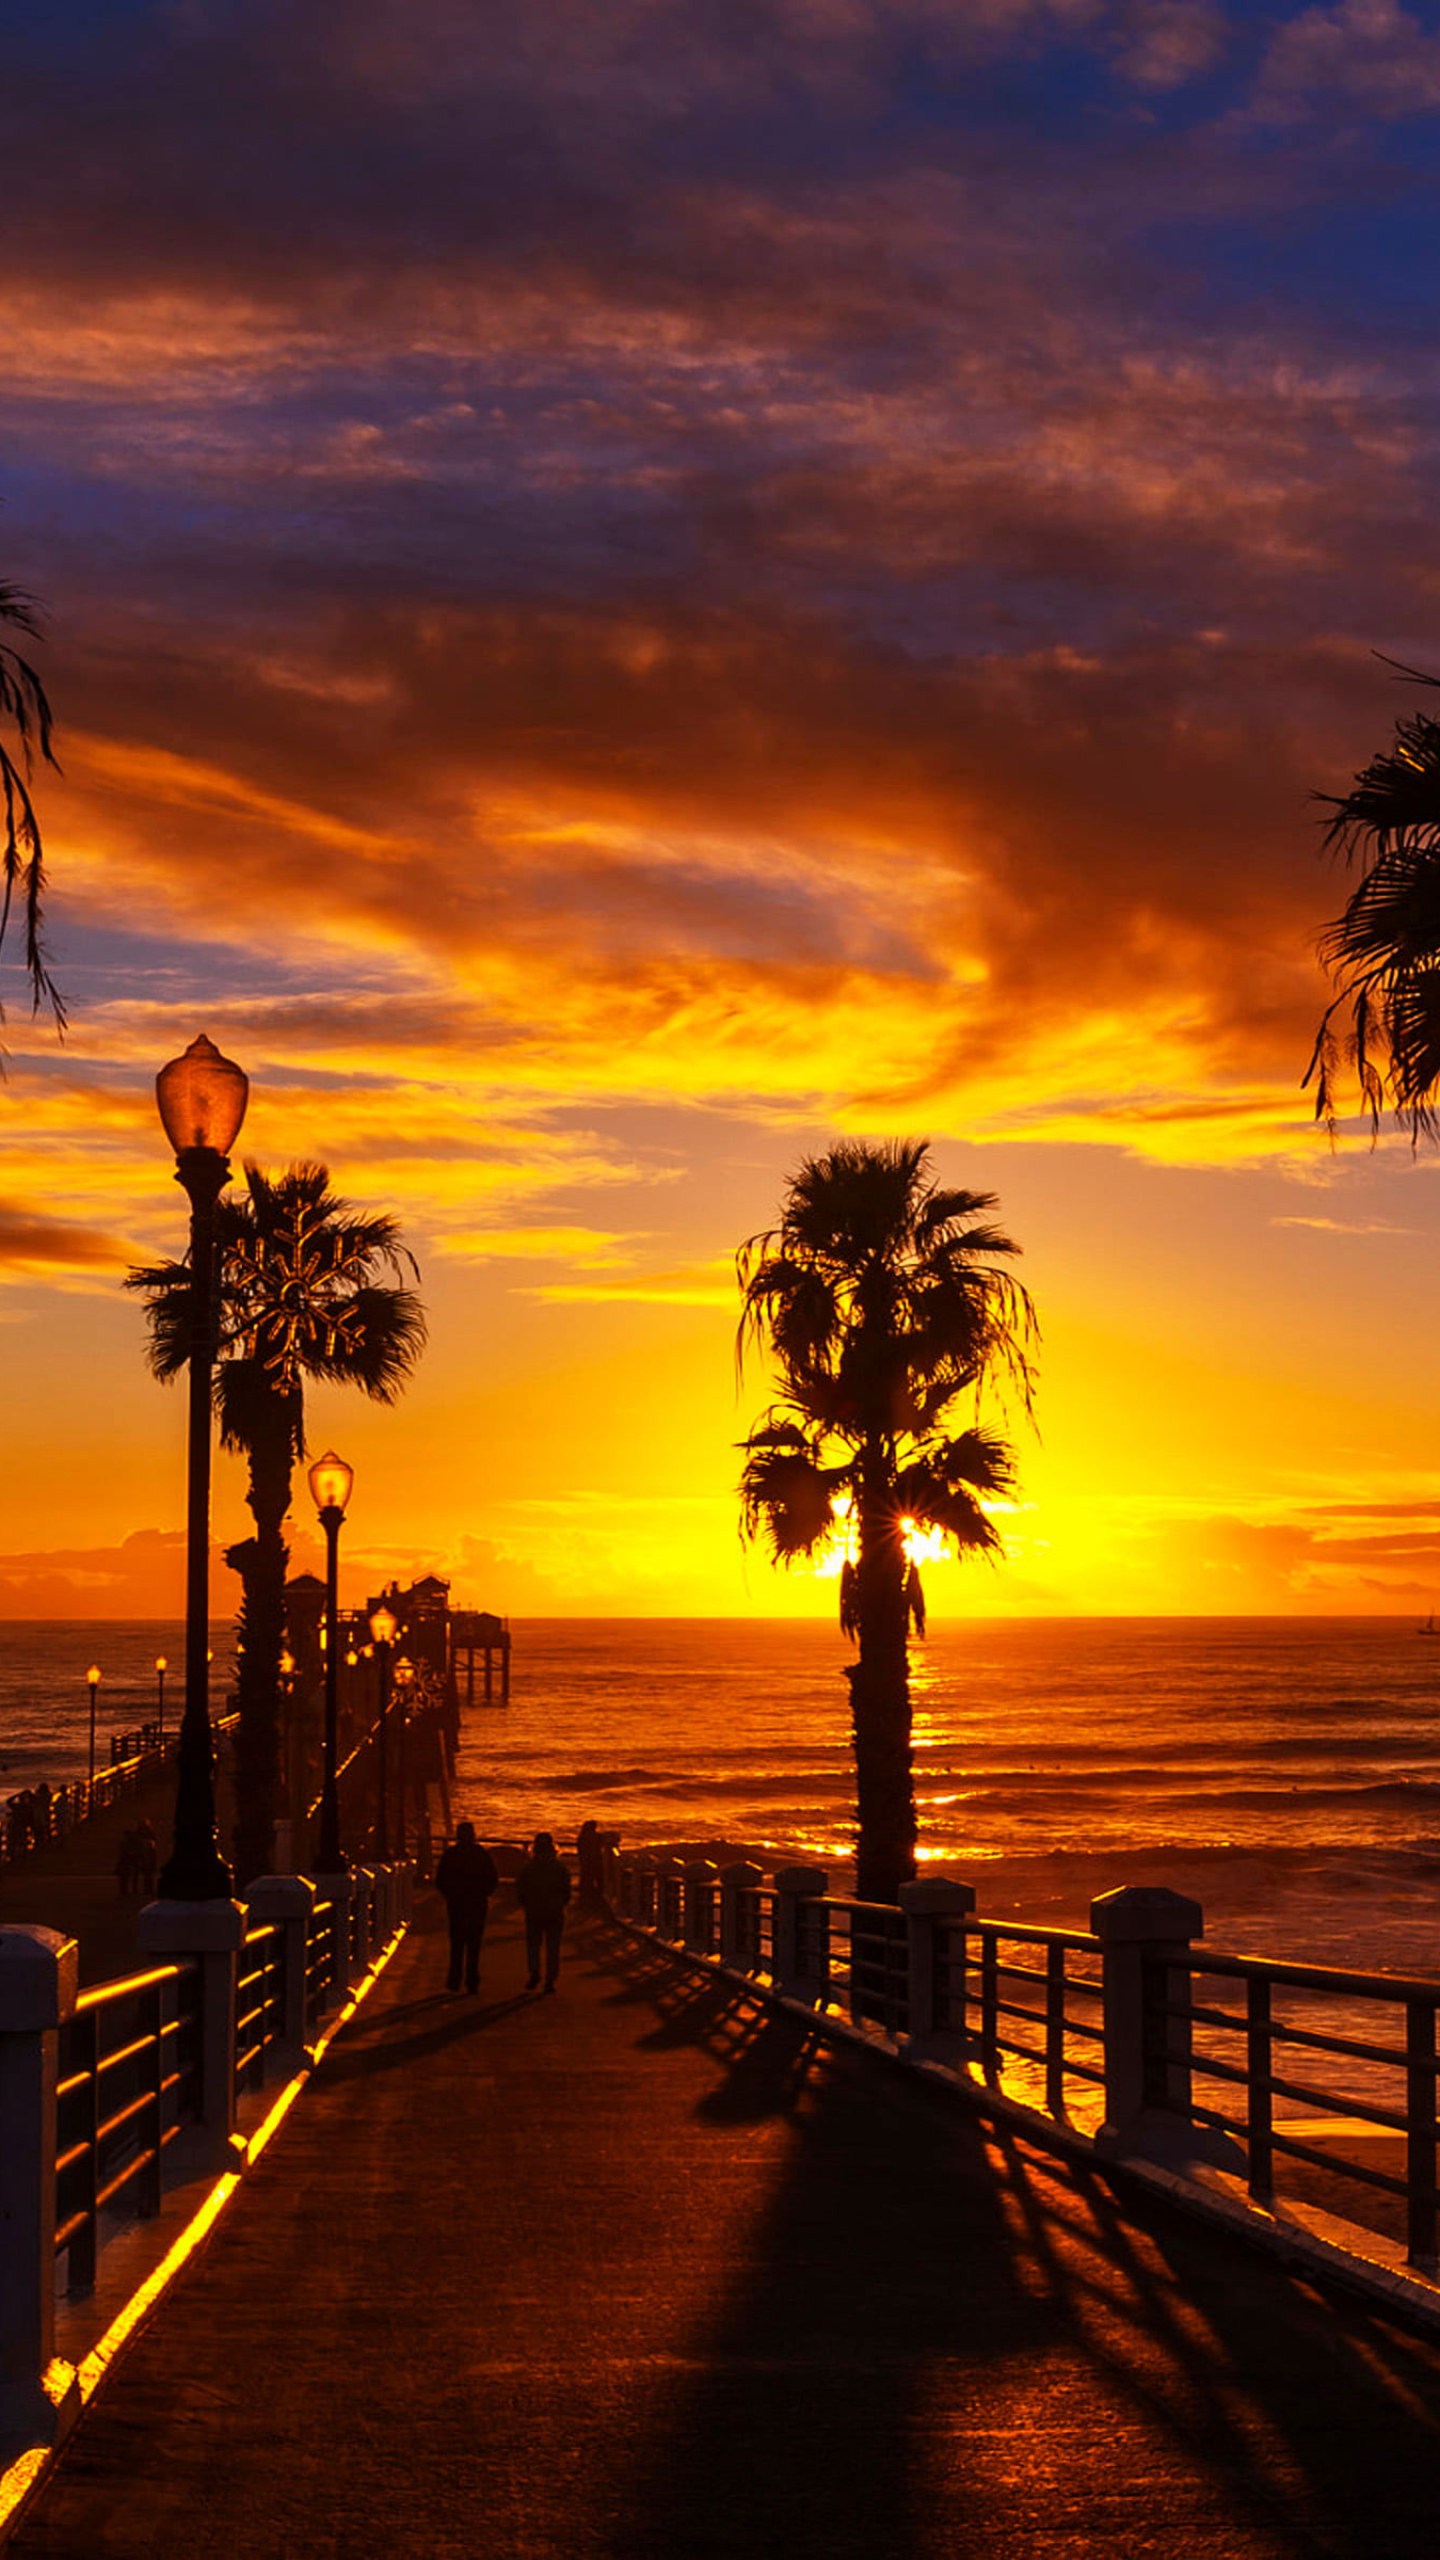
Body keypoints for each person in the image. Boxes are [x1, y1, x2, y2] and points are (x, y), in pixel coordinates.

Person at [434, 1819, 499, 1993]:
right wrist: (484, 1893)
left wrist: (450, 1895)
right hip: (477, 1903)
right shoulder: (481, 1854)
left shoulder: (451, 1854)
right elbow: (493, 1878)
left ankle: (454, 1980)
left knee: (456, 1943)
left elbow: (440, 1879)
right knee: (474, 1944)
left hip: (456, 1904)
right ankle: (472, 1981)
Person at [516, 1831, 572, 1992]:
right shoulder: (559, 1867)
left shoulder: (529, 1867)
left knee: (533, 1946)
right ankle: (550, 1980)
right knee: (553, 1948)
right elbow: (566, 1890)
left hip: (534, 1911)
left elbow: (520, 1888)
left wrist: (525, 1904)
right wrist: (561, 1903)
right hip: (555, 1912)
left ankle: (534, 1975)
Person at [576, 1819, 605, 1909]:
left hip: (586, 1860)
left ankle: (585, 1896)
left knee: (586, 1878)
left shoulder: (582, 1837)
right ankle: (597, 1896)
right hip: (595, 1860)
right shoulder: (596, 1837)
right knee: (597, 1878)